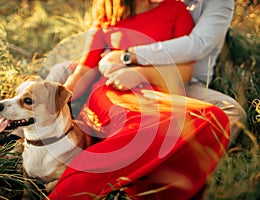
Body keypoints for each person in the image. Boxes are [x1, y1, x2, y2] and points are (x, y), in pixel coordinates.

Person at [47, 0, 230, 199]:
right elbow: (85, 69)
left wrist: (141, 74)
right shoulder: (108, 15)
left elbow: (186, 70)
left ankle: (149, 185)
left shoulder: (175, 9)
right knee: (139, 126)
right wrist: (53, 105)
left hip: (156, 91)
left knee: (213, 116)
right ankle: (73, 186)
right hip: (111, 91)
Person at [98, 0, 246, 147]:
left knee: (231, 113)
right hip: (136, 81)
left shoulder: (219, 2)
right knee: (140, 116)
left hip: (186, 83)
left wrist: (131, 55)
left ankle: (193, 161)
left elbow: (198, 45)